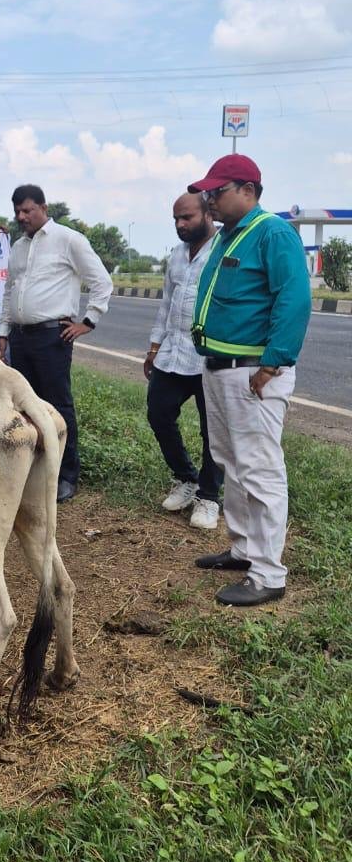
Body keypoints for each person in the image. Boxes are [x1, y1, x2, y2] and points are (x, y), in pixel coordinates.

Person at [187, 155, 311, 606]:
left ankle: (268, 573)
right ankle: (243, 549)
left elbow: (294, 301)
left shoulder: (273, 233)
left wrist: (272, 364)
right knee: (230, 461)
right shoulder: (227, 237)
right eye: (208, 193)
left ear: (247, 190)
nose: (210, 200)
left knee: (259, 469)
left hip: (254, 373)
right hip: (221, 369)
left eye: (217, 192)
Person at [0, 184, 113, 502]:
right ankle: (33, 469)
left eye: (28, 210)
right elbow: (10, 292)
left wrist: (87, 322)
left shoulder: (68, 240)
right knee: (25, 406)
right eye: (18, 211)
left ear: (43, 208)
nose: (22, 217)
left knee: (57, 404)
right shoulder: (19, 247)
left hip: (52, 337)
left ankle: (66, 475)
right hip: (21, 337)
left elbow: (102, 282)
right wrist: (3, 334)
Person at [145, 193, 223, 530]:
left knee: (213, 431)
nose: (180, 225)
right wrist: (153, 347)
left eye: (187, 217)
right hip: (173, 351)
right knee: (159, 413)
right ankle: (186, 478)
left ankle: (208, 497)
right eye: (176, 219)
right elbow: (167, 303)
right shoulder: (176, 255)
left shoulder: (224, 249)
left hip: (210, 356)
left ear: (208, 213)